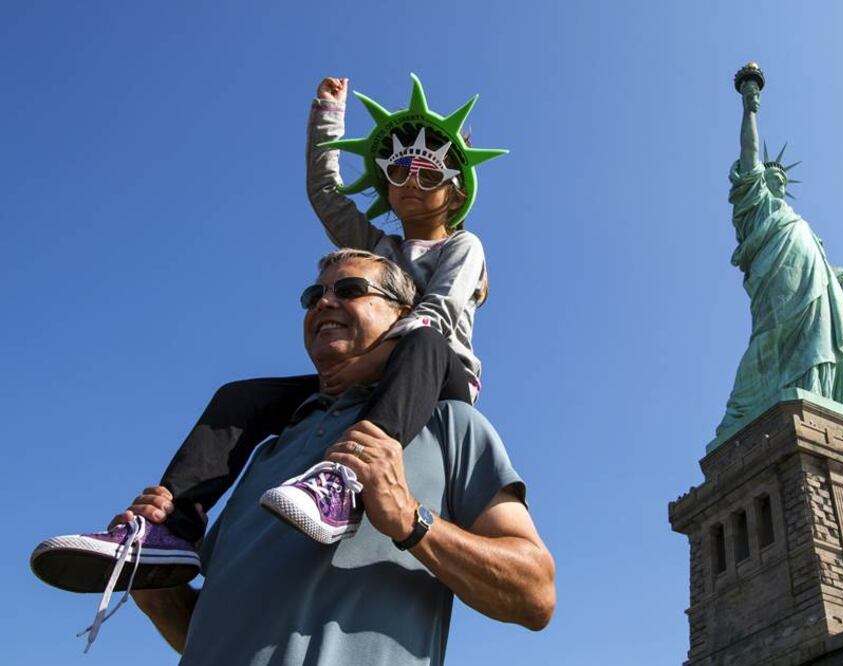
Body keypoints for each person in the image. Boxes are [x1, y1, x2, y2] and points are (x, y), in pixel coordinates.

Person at [31, 74, 507, 605]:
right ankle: (170, 528)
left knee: (423, 341)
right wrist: (327, 115)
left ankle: (343, 482)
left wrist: (371, 356)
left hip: (434, 373)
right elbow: (325, 194)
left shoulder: (464, 246)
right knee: (241, 398)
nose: (409, 182)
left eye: (426, 172)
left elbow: (438, 313)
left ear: (455, 190)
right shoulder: (377, 245)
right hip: (364, 376)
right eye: (397, 170)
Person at [127, 250, 554, 664]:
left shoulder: (450, 426)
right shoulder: (261, 453)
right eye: (313, 298)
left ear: (401, 316)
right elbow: (205, 634)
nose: (325, 302)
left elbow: (535, 594)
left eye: (350, 289)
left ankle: (339, 486)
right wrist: (156, 592)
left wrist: (410, 520)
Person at [717, 66, 843, 435]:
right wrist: (750, 108)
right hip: (775, 281)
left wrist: (832, 277)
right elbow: (750, 152)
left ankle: (818, 397)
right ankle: (748, 411)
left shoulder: (799, 221)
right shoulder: (756, 203)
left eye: (782, 175)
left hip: (814, 286)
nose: (777, 175)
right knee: (771, 338)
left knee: (819, 339)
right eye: (771, 173)